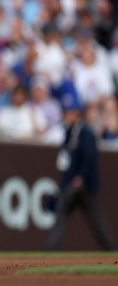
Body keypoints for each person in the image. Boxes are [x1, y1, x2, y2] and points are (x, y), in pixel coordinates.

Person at [45, 93, 115, 251]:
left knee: (97, 221)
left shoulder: (86, 134)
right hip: (70, 185)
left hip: (85, 186)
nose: (66, 115)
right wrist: (65, 183)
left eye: (69, 112)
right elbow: (66, 161)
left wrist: (81, 178)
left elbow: (90, 159)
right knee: (60, 217)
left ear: (77, 113)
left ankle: (111, 251)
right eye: (65, 111)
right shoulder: (69, 133)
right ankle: (49, 252)